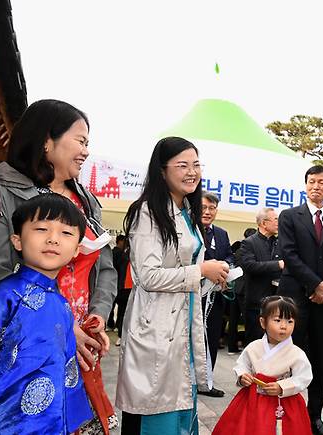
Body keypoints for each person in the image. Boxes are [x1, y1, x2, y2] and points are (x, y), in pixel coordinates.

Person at [0, 99, 117, 433]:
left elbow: (106, 268)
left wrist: (96, 319)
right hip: (30, 348)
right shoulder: (1, 195)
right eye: (80, 140)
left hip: (84, 343)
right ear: (46, 141)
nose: (85, 151)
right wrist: (64, 327)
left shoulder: (86, 201)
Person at [116, 137, 229, 435]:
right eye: (182, 165)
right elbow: (148, 276)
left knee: (180, 403)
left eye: (196, 165)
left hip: (181, 326)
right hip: (156, 327)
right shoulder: (148, 212)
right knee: (155, 409)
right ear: (162, 171)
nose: (192, 172)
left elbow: (184, 270)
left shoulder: (187, 212)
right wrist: (200, 270)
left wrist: (210, 277)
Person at [0, 193, 92, 434]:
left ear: (77, 249)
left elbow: (68, 372)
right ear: (17, 240)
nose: (53, 239)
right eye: (41, 229)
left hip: (53, 426)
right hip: (5, 425)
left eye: (66, 233)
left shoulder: (62, 305)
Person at [277, 165, 323, 435]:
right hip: (295, 301)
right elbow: (289, 255)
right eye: (311, 182)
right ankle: (286, 416)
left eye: (321, 182)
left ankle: (314, 417)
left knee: (319, 361)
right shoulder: (290, 216)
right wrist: (316, 284)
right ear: (305, 186)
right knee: (288, 359)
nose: (316, 186)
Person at [212, 296, 313, 435]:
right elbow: (242, 365)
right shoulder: (254, 347)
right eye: (277, 320)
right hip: (253, 399)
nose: (284, 326)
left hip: (283, 402)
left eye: (290, 321)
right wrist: (243, 376)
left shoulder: (296, 353)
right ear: (263, 322)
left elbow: (304, 377)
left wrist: (282, 386)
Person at [199, 191, 234, 398]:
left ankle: (207, 382)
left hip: (216, 295)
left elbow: (229, 255)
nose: (207, 212)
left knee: (212, 337)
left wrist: (226, 266)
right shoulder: (190, 230)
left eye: (212, 208)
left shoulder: (221, 233)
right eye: (203, 207)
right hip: (193, 295)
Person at [237, 208, 284, 344]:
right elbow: (250, 266)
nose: (278, 223)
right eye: (275, 219)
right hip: (256, 302)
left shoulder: (280, 242)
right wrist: (278, 265)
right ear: (264, 223)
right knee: (255, 343)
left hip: (277, 301)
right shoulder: (249, 243)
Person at [107, 234, 127, 330]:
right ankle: (118, 325)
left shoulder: (110, 252)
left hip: (110, 282)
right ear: (120, 241)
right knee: (121, 307)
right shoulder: (121, 254)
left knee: (111, 305)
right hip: (119, 284)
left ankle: (110, 323)